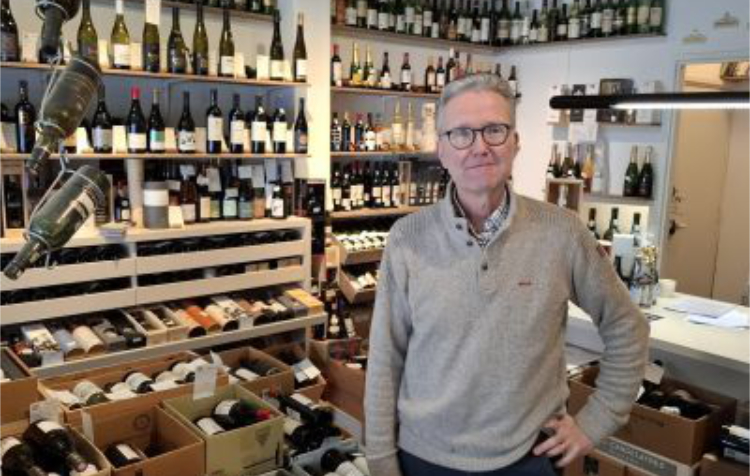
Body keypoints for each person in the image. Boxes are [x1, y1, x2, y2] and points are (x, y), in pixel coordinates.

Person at [364, 73, 650, 476]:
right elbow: (385, 359)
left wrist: (596, 422)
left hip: (528, 460)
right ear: (441, 149)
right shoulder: (407, 238)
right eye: (461, 133)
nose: (479, 146)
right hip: (424, 458)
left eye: (494, 130)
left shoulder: (562, 232)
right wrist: (380, 459)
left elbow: (627, 326)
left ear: (515, 142)